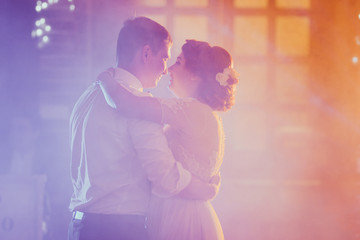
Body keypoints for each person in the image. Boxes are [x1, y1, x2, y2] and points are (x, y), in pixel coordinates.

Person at [68, 17, 218, 240]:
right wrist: (203, 189)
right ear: (146, 53)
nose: (166, 69)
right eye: (165, 58)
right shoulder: (138, 106)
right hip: (118, 230)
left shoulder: (87, 96)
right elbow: (163, 175)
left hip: (78, 227)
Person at [97, 39, 239, 240]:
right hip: (185, 213)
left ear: (194, 75)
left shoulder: (191, 110)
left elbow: (129, 105)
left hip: (180, 219)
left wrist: (104, 78)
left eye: (178, 62)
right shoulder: (206, 114)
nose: (169, 69)